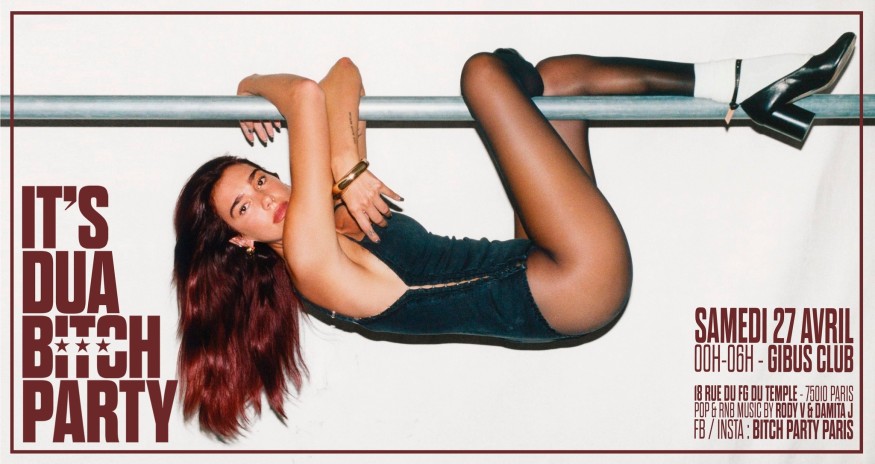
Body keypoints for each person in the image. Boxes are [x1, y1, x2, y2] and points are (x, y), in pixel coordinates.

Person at [173, 33, 855, 438]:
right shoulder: (310, 261)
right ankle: (750, 90)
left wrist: (348, 167)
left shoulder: (326, 211)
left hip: (541, 264)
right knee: (483, 73)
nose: (268, 198)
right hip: (570, 284)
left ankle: (746, 93)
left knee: (560, 82)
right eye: (244, 207)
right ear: (240, 243)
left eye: (259, 179)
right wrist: (250, 84)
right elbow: (307, 96)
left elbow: (342, 75)